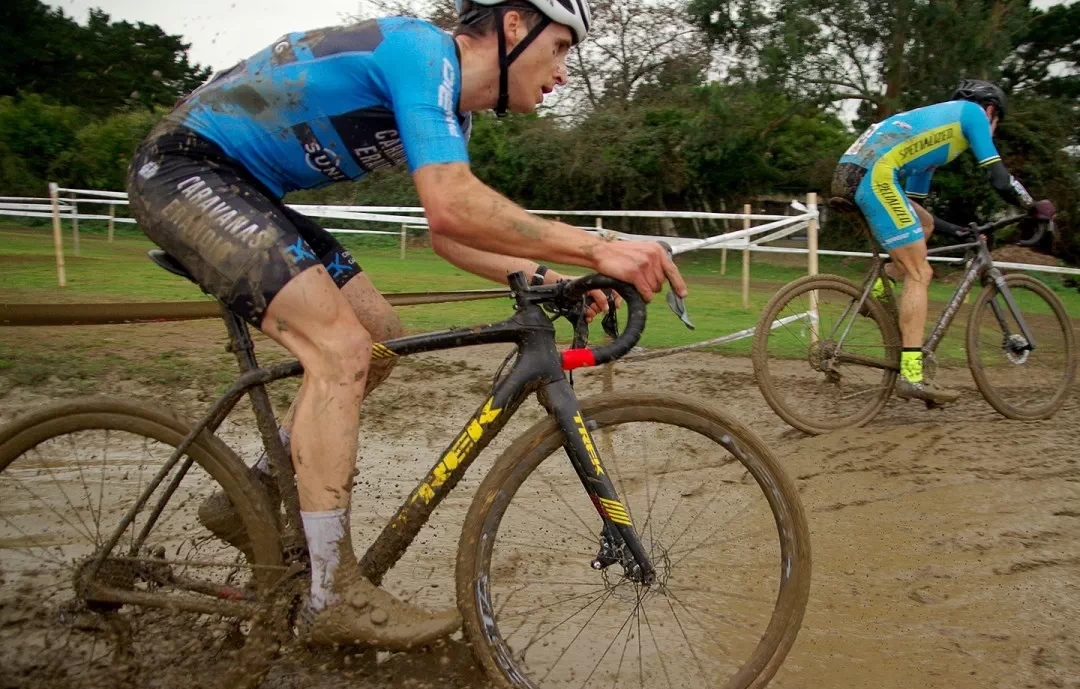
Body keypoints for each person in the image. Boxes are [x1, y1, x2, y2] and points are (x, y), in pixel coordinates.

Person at [126, 0, 686, 649]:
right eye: (561, 46)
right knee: (339, 349)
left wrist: (547, 277)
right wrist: (594, 247)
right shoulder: (421, 52)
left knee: (378, 331)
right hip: (185, 170)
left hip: (242, 188)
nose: (563, 70)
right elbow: (450, 206)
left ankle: (252, 490)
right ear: (514, 26)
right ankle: (331, 591)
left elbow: (451, 237)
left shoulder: (456, 112)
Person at [830, 79, 1055, 405]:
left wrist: (959, 231)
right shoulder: (973, 113)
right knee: (920, 273)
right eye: (997, 122)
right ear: (992, 111)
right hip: (875, 175)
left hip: (856, 173)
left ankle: (875, 297)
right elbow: (1000, 178)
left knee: (924, 226)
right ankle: (911, 375)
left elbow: (913, 203)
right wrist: (1034, 207)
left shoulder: (934, 136)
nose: (993, 128)